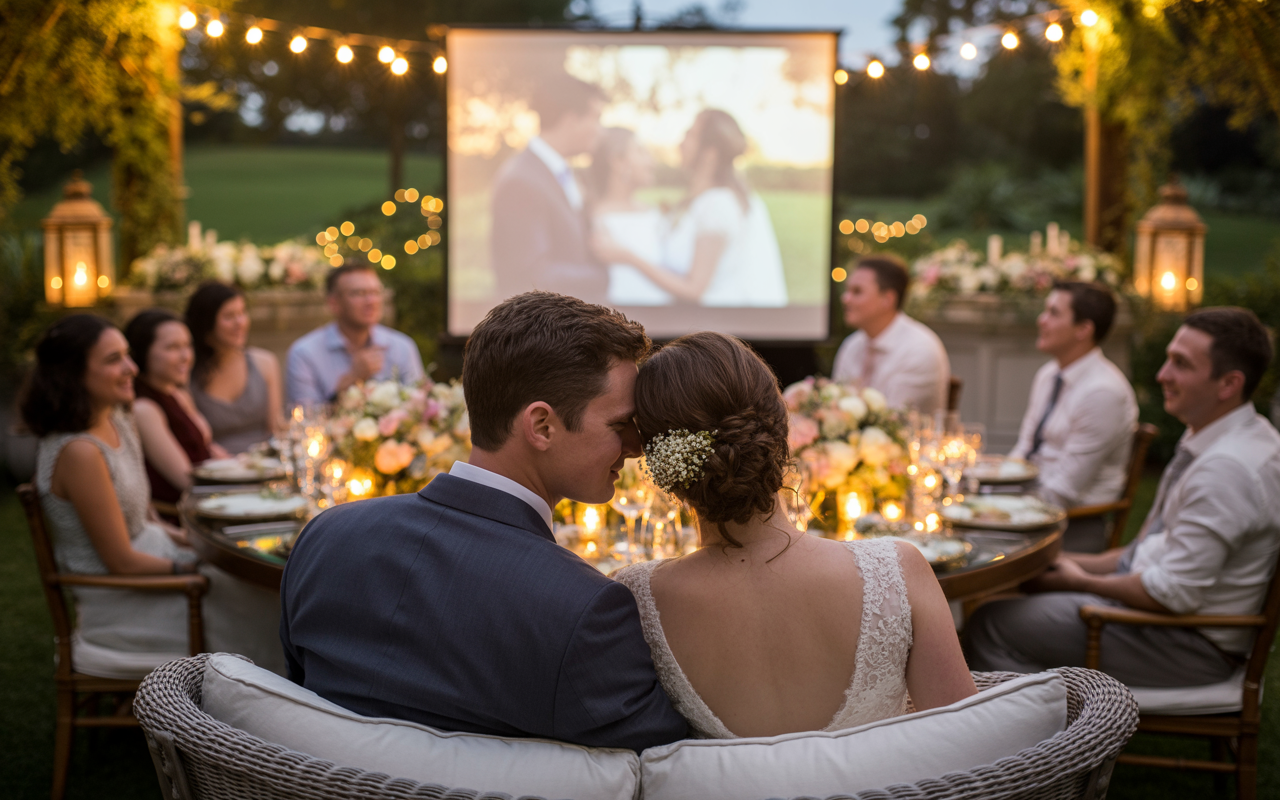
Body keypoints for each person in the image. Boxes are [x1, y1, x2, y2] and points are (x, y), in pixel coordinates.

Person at [280, 291, 687, 751]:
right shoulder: (582, 610)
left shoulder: (326, 537)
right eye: (620, 425)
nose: (636, 447)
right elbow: (667, 765)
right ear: (542, 427)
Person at [614, 332, 975, 738]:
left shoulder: (634, 601)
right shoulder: (898, 572)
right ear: (782, 428)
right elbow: (965, 749)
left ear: (661, 466)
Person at [967, 307, 1280, 687]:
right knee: (1014, 588)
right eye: (1168, 359)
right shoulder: (1238, 434)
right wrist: (1057, 562)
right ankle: (1053, 714)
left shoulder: (1226, 468)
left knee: (989, 623)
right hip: (1166, 619)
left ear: (1228, 384)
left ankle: (1063, 731)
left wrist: (1081, 581)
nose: (1162, 374)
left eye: (1181, 364)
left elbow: (1173, 593)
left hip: (1187, 642)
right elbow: (1150, 550)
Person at [22, 314, 286, 677]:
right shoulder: (79, 451)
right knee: (267, 607)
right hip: (126, 602)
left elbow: (146, 519)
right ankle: (260, 713)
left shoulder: (116, 418)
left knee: (263, 587)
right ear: (72, 373)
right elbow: (122, 562)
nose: (131, 368)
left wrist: (202, 546)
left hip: (157, 563)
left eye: (127, 355)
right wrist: (196, 568)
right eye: (113, 360)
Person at [593, 109, 788, 308]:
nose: (680, 143)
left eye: (690, 136)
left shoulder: (718, 204)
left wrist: (628, 256)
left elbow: (695, 289)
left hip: (725, 324)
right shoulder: (701, 202)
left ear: (710, 154)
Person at [1008, 282, 1138, 552]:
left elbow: (1064, 491)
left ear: (1084, 329)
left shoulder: (1103, 393)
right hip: (1027, 508)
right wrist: (988, 489)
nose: (1041, 320)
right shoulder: (1048, 375)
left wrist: (997, 509)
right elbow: (1024, 450)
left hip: (1072, 527)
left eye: (1053, 313)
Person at [490, 75, 607, 302]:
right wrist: (607, 275)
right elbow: (532, 275)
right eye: (596, 118)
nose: (600, 130)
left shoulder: (560, 173)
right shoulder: (521, 181)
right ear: (571, 119)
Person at [124, 309, 228, 519]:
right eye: (173, 347)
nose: (185, 356)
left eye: (187, 346)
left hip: (216, 500)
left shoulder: (177, 393)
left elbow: (208, 449)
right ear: (143, 352)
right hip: (188, 516)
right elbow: (187, 480)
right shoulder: (144, 409)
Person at [286, 262, 425, 404]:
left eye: (375, 292)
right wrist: (352, 380)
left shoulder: (402, 347)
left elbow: (418, 408)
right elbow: (304, 420)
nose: (371, 301)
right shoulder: (304, 353)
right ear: (334, 303)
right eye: (359, 293)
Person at [832, 255, 950, 415]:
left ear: (887, 299)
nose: (845, 298)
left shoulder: (920, 349)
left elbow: (893, 421)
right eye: (847, 290)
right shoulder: (852, 345)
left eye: (857, 291)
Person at [186, 281, 284, 453]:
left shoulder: (265, 363)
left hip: (264, 466)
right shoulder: (187, 372)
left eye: (242, 313)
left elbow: (275, 430)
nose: (240, 322)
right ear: (206, 323)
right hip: (214, 469)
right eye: (229, 317)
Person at [587, 127, 671, 306]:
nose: (652, 162)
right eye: (641, 152)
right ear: (617, 161)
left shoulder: (653, 214)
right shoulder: (595, 218)